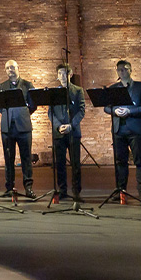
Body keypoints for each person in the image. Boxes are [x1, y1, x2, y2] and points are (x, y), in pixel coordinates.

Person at [103, 59, 141, 203]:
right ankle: (121, 191)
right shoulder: (113, 88)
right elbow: (106, 107)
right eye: (119, 69)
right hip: (118, 129)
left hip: (135, 129)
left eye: (125, 69)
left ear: (130, 70)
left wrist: (129, 111)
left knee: (140, 160)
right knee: (120, 162)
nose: (122, 71)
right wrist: (115, 111)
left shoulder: (140, 86)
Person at [0, 59, 37, 199]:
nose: (10, 70)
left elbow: (33, 105)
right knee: (8, 159)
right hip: (7, 127)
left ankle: (28, 187)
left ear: (18, 68)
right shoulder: (2, 86)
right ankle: (9, 187)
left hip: (23, 127)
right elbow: (0, 106)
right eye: (8, 68)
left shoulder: (27, 85)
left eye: (12, 67)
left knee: (26, 158)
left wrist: (23, 114)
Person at [48, 63, 85, 199]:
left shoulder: (78, 90)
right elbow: (50, 112)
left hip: (73, 132)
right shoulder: (53, 92)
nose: (62, 76)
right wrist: (58, 126)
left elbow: (81, 110)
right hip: (59, 133)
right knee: (60, 164)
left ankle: (76, 191)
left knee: (75, 164)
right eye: (60, 73)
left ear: (70, 74)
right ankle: (62, 190)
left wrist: (71, 125)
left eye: (65, 73)